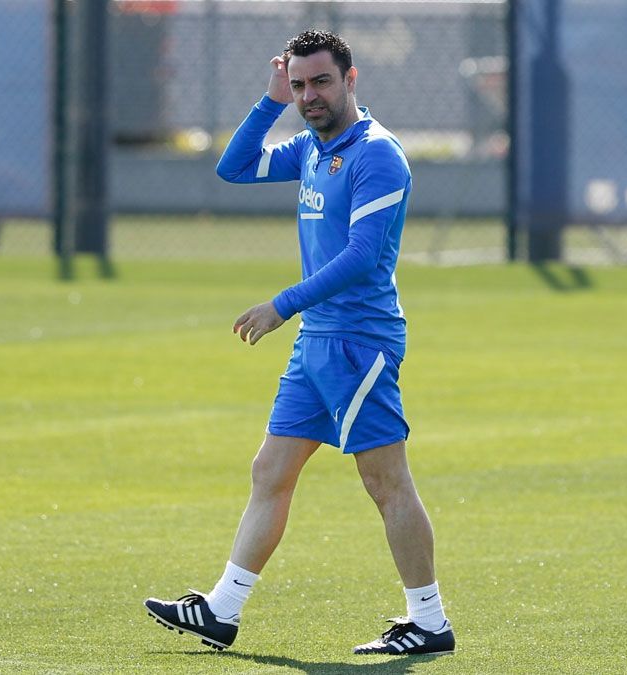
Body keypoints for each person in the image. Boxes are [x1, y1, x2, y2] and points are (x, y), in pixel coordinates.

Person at [143, 30, 454, 657]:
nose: (309, 96)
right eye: (300, 84)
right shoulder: (311, 148)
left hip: (359, 343)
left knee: (385, 481)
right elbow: (232, 167)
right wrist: (269, 101)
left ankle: (429, 621)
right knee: (270, 470)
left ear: (350, 79)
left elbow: (363, 258)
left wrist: (280, 305)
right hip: (318, 342)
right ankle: (222, 610)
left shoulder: (378, 155)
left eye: (321, 83)